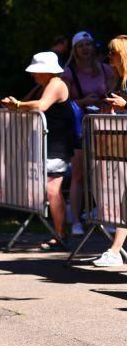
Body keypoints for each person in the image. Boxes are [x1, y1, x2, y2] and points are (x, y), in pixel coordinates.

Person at [0, 52, 75, 249]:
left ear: (47, 71)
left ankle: (60, 235)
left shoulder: (56, 84)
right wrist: (16, 105)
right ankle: (59, 233)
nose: (33, 75)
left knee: (52, 190)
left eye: (36, 71)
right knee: (49, 190)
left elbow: (41, 105)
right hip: (48, 144)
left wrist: (17, 105)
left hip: (57, 145)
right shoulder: (45, 85)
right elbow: (30, 104)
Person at [62, 31, 116, 236]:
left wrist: (104, 101)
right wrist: (84, 101)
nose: (85, 49)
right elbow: (63, 102)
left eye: (88, 44)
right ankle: (76, 221)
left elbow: (113, 92)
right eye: (81, 45)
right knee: (78, 175)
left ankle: (106, 216)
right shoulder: (69, 73)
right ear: (75, 50)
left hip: (102, 126)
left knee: (104, 174)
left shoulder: (105, 69)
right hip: (79, 127)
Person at [93, 35, 127, 267]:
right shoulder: (120, 81)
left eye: (112, 52)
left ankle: (115, 251)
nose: (109, 56)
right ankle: (115, 251)